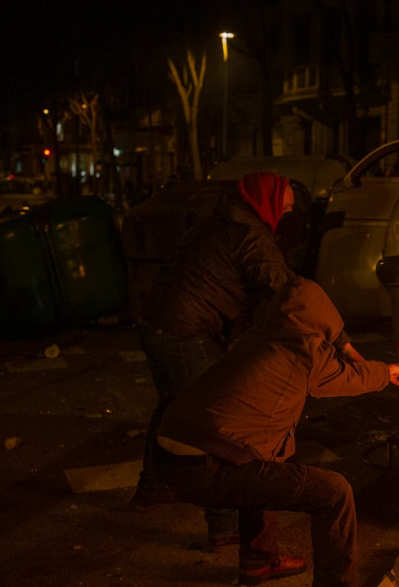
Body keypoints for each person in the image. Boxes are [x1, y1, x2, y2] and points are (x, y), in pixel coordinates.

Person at [153, 277, 399, 587]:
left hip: (168, 453)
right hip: (204, 466)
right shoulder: (303, 352)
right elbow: (347, 378)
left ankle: (258, 559)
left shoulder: (260, 338)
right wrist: (386, 372)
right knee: (333, 493)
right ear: (324, 319)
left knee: (269, 464)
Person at [132, 171, 364, 551]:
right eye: (285, 208)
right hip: (185, 329)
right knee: (213, 425)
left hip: (155, 323)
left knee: (174, 408)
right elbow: (292, 292)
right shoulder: (250, 237)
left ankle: (153, 488)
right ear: (268, 204)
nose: (288, 215)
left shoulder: (219, 223)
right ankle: (225, 528)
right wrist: (341, 342)